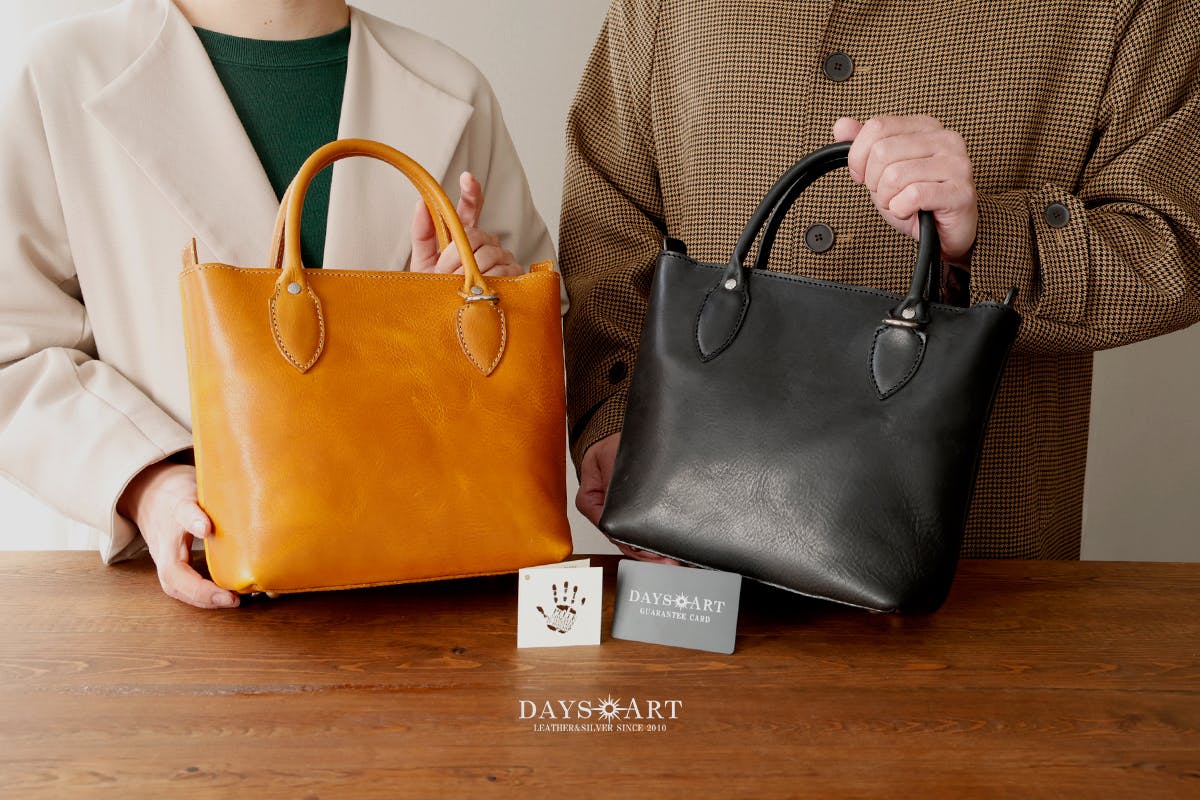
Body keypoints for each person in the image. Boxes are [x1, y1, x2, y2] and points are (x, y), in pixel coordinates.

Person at [560, 0, 1200, 563]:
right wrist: (614, 412)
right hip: (690, 553)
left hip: (977, 562)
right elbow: (608, 219)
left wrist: (985, 239)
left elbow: (1175, 244)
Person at [0, 0, 553, 608]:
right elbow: (13, 350)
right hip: (181, 590)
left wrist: (439, 322)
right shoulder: (61, 72)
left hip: (435, 589)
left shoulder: (452, 85)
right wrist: (147, 482)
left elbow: (536, 355)